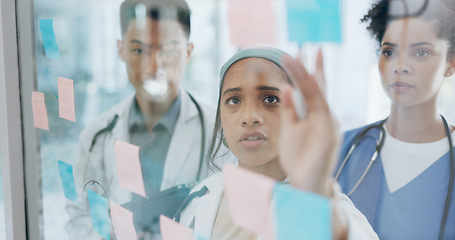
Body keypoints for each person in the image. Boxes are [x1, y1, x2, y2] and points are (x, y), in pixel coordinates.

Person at [65, 0, 231, 238]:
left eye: (170, 51)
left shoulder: (220, 132)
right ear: (120, 50)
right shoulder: (97, 135)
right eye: (139, 50)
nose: (154, 66)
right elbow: (80, 215)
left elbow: (230, 219)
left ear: (189, 52)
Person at [179, 47, 379, 240]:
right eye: (234, 100)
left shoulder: (326, 205)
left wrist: (317, 196)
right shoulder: (199, 199)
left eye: (270, 98)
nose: (249, 117)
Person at [334, 0, 455, 239]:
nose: (400, 66)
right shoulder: (338, 149)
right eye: (389, 51)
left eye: (421, 52)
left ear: (450, 63)